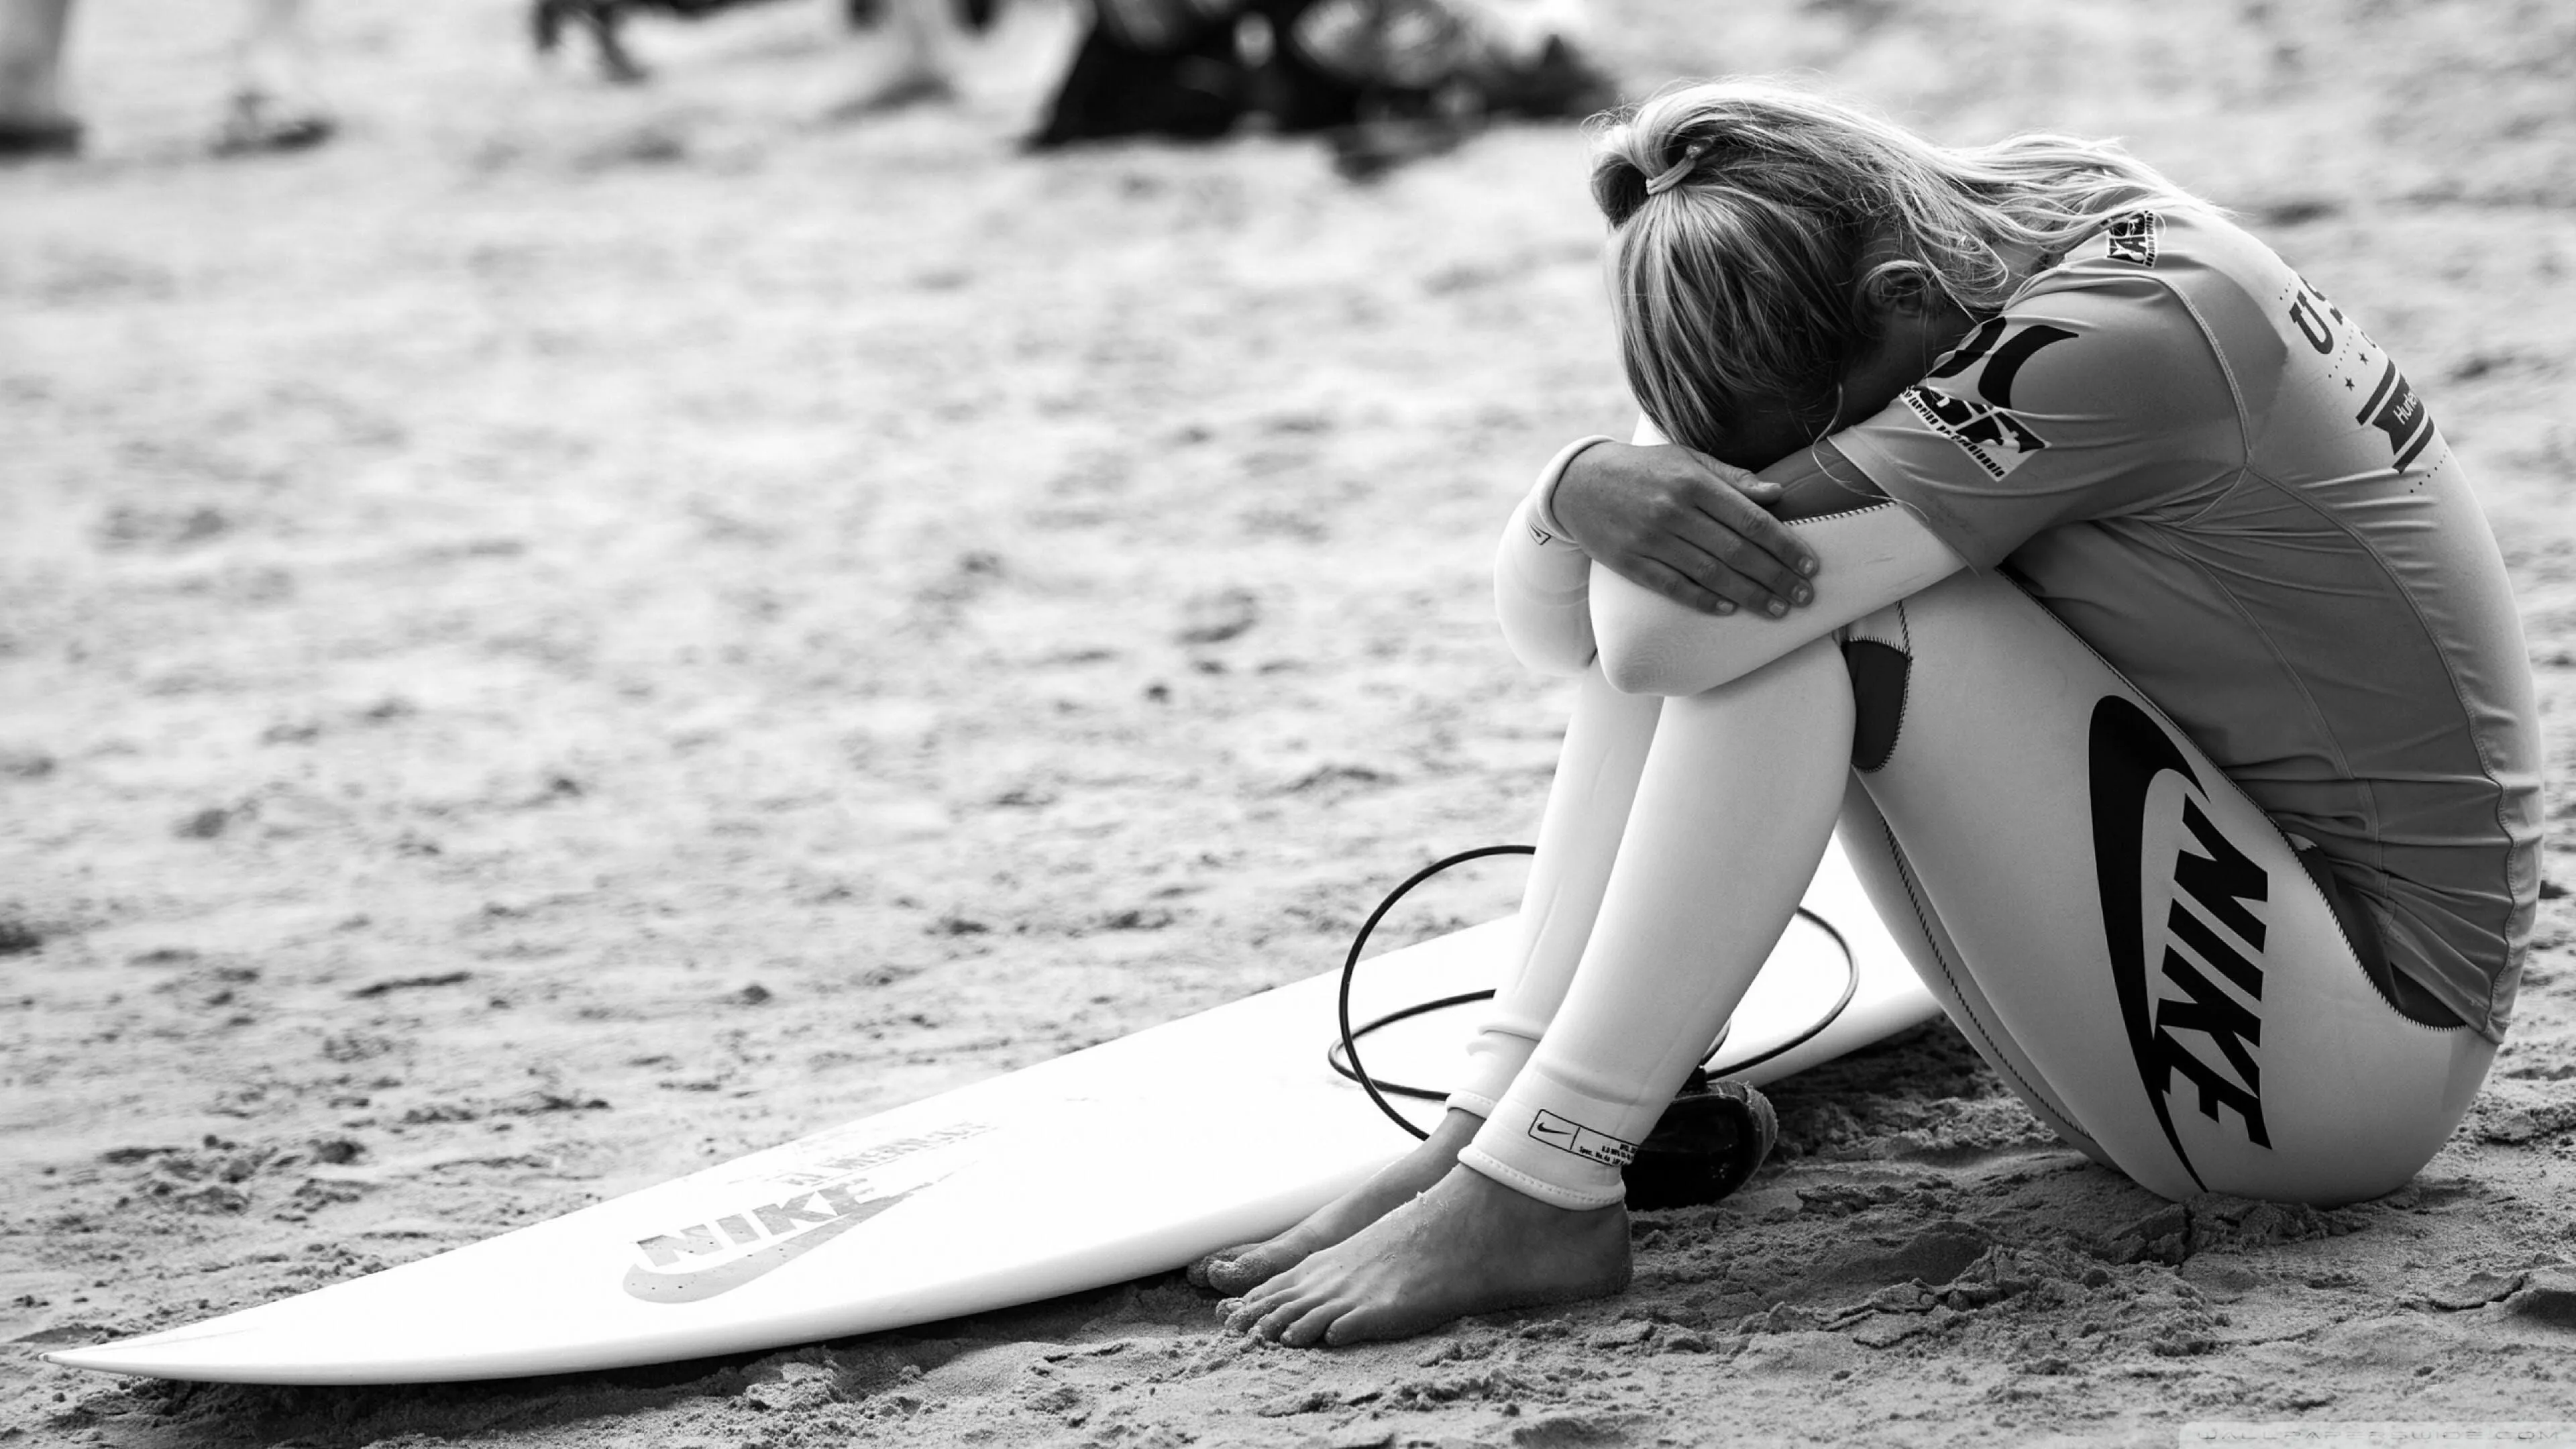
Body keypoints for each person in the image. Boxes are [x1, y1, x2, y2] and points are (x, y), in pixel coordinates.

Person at [1192, 78, 2542, 1346]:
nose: (1785, 472)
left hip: (2348, 1066)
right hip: (2224, 1027)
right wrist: (1577, 485)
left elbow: (1644, 638)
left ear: (1900, 303)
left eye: (1806, 434)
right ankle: (1496, 1134)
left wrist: (1596, 505)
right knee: (1736, 580)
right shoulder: (2010, 215)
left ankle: (1545, 1183)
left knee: (1796, 618)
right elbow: (1593, 647)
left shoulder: (2116, 346)